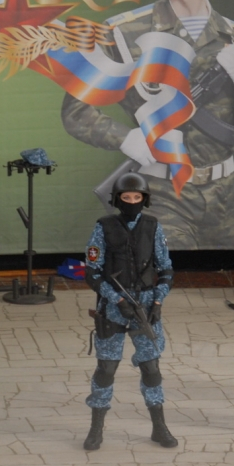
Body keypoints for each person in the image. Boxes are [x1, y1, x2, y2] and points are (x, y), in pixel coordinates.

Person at [61, 0, 234, 249]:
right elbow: (75, 112)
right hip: (162, 192)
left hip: (225, 197)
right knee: (174, 272)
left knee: (218, 276)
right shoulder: (123, 33)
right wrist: (125, 138)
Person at [82, 172, 178, 451]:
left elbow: (166, 268)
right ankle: (96, 428)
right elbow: (92, 271)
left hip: (146, 306)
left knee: (151, 369)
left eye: (137, 197)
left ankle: (159, 427)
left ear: (144, 199)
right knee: (106, 369)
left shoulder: (152, 226)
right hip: (113, 307)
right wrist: (116, 299)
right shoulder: (104, 227)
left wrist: (158, 302)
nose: (132, 201)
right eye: (127, 197)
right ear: (118, 199)